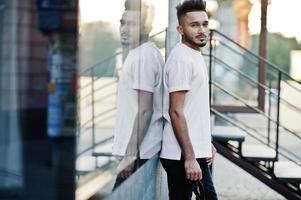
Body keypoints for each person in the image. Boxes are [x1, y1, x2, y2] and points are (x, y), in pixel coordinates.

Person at [160, 0, 218, 199]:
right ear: (180, 29)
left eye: (204, 24)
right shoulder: (181, 59)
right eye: (194, 25)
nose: (201, 30)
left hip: (193, 150)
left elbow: (195, 108)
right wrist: (191, 157)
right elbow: (175, 112)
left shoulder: (194, 55)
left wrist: (205, 142)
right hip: (181, 154)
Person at [112, 0, 164, 188]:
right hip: (138, 153)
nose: (124, 29)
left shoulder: (144, 57)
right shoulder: (138, 54)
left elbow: (145, 111)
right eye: (122, 22)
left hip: (139, 154)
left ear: (146, 28)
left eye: (132, 24)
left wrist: (130, 155)